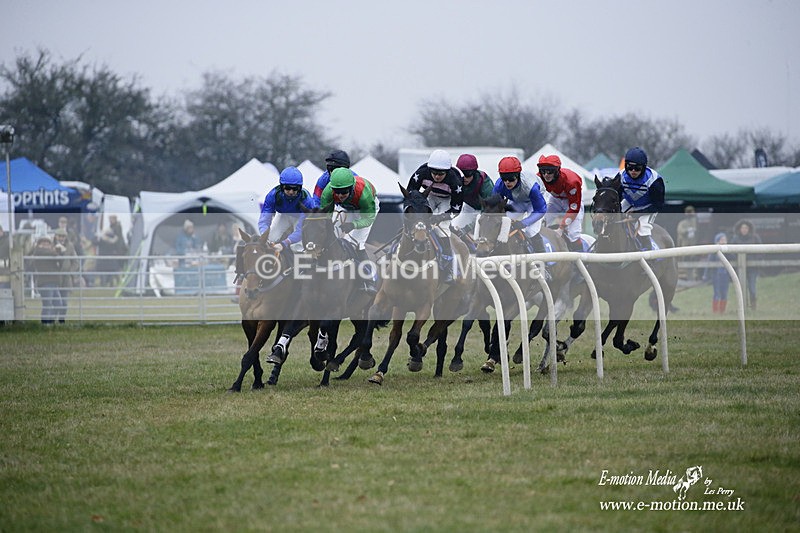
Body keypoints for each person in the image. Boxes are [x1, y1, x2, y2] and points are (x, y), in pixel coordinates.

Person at [406, 149, 464, 279]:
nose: (437, 176)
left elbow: (457, 209)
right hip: (430, 196)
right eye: (434, 172)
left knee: (442, 228)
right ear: (429, 169)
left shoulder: (455, 181)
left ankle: (448, 264)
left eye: (441, 174)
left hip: (447, 200)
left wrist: (440, 217)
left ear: (447, 172)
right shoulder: (421, 172)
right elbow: (410, 193)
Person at [320, 167, 379, 292]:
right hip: (347, 208)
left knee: (354, 243)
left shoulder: (364, 194)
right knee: (328, 238)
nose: (340, 195)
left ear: (351, 188)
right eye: (337, 192)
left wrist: (353, 225)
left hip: (366, 211)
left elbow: (368, 218)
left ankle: (370, 278)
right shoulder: (327, 192)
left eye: (344, 192)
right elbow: (325, 217)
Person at [492, 156, 547, 253]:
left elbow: (541, 210)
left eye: (511, 178)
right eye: (504, 178)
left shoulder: (531, 187)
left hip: (534, 203)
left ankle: (543, 261)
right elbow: (494, 208)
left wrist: (523, 223)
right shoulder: (499, 185)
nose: (507, 182)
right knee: (504, 226)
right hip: (517, 201)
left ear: (518, 175)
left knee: (531, 231)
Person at [258, 166, 318, 254]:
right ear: (282, 187)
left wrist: (283, 244)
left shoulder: (307, 200)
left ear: (300, 188)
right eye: (287, 188)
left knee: (297, 246)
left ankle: (302, 265)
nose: (291, 191)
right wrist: (264, 235)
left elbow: (300, 231)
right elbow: (264, 221)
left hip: (300, 218)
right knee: (270, 238)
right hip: (283, 215)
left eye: (295, 188)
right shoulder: (272, 196)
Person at [619, 147, 665, 251]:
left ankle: (649, 253)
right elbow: (617, 197)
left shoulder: (654, 180)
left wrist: (638, 212)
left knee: (643, 227)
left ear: (643, 167)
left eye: (637, 168)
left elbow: (658, 205)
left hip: (649, 206)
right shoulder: (621, 176)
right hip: (629, 202)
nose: (633, 171)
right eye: (630, 167)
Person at [536, 154, 585, 252]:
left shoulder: (571, 181)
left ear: (557, 170)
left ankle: (581, 263)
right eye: (543, 171)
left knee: (573, 234)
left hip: (572, 202)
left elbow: (574, 208)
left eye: (550, 171)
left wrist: (561, 228)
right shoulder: (538, 178)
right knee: (539, 224)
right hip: (555, 200)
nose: (546, 175)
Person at [451, 153, 494, 238]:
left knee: (477, 232)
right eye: (462, 174)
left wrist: (468, 227)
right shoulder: (454, 179)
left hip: (487, 212)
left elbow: (487, 211)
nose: (465, 178)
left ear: (474, 172)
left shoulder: (485, 183)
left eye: (468, 174)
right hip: (469, 207)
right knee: (455, 227)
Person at [31, 235, 64, 325]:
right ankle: (45, 324)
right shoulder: (38, 251)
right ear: (39, 245)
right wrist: (56, 251)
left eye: (48, 243)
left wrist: (59, 253)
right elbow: (50, 253)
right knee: (47, 305)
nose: (46, 245)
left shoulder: (51, 253)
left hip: (54, 282)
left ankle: (50, 322)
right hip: (45, 282)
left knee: (58, 304)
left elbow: (61, 262)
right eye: (43, 243)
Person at [731, 219, 761, 311]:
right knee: (740, 289)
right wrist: (736, 260)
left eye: (746, 228)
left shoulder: (755, 238)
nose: (744, 230)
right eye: (742, 228)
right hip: (740, 268)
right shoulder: (735, 238)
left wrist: (756, 261)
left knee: (752, 288)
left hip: (752, 268)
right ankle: (742, 308)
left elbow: (760, 251)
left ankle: (753, 307)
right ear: (739, 229)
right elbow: (731, 252)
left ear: (749, 229)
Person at [53, 228, 78, 322]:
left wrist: (70, 272)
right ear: (55, 236)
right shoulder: (51, 245)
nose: (61, 238)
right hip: (54, 278)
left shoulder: (70, 246)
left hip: (66, 279)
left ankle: (61, 320)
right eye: (59, 236)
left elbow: (76, 262)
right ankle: (52, 320)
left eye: (63, 236)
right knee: (55, 301)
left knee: (64, 302)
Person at [703, 232, 731, 314]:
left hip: (725, 275)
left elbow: (733, 259)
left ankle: (722, 311)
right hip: (716, 276)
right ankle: (715, 311)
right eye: (721, 240)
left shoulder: (728, 251)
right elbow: (709, 264)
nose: (724, 241)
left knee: (724, 293)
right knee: (717, 293)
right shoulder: (713, 252)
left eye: (725, 239)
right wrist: (705, 275)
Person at [676, 205, 699, 280]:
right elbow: (680, 231)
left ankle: (692, 278)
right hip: (684, 246)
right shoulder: (682, 223)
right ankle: (684, 279)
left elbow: (699, 232)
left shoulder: (695, 222)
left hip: (694, 246)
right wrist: (687, 230)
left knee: (693, 264)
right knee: (684, 264)